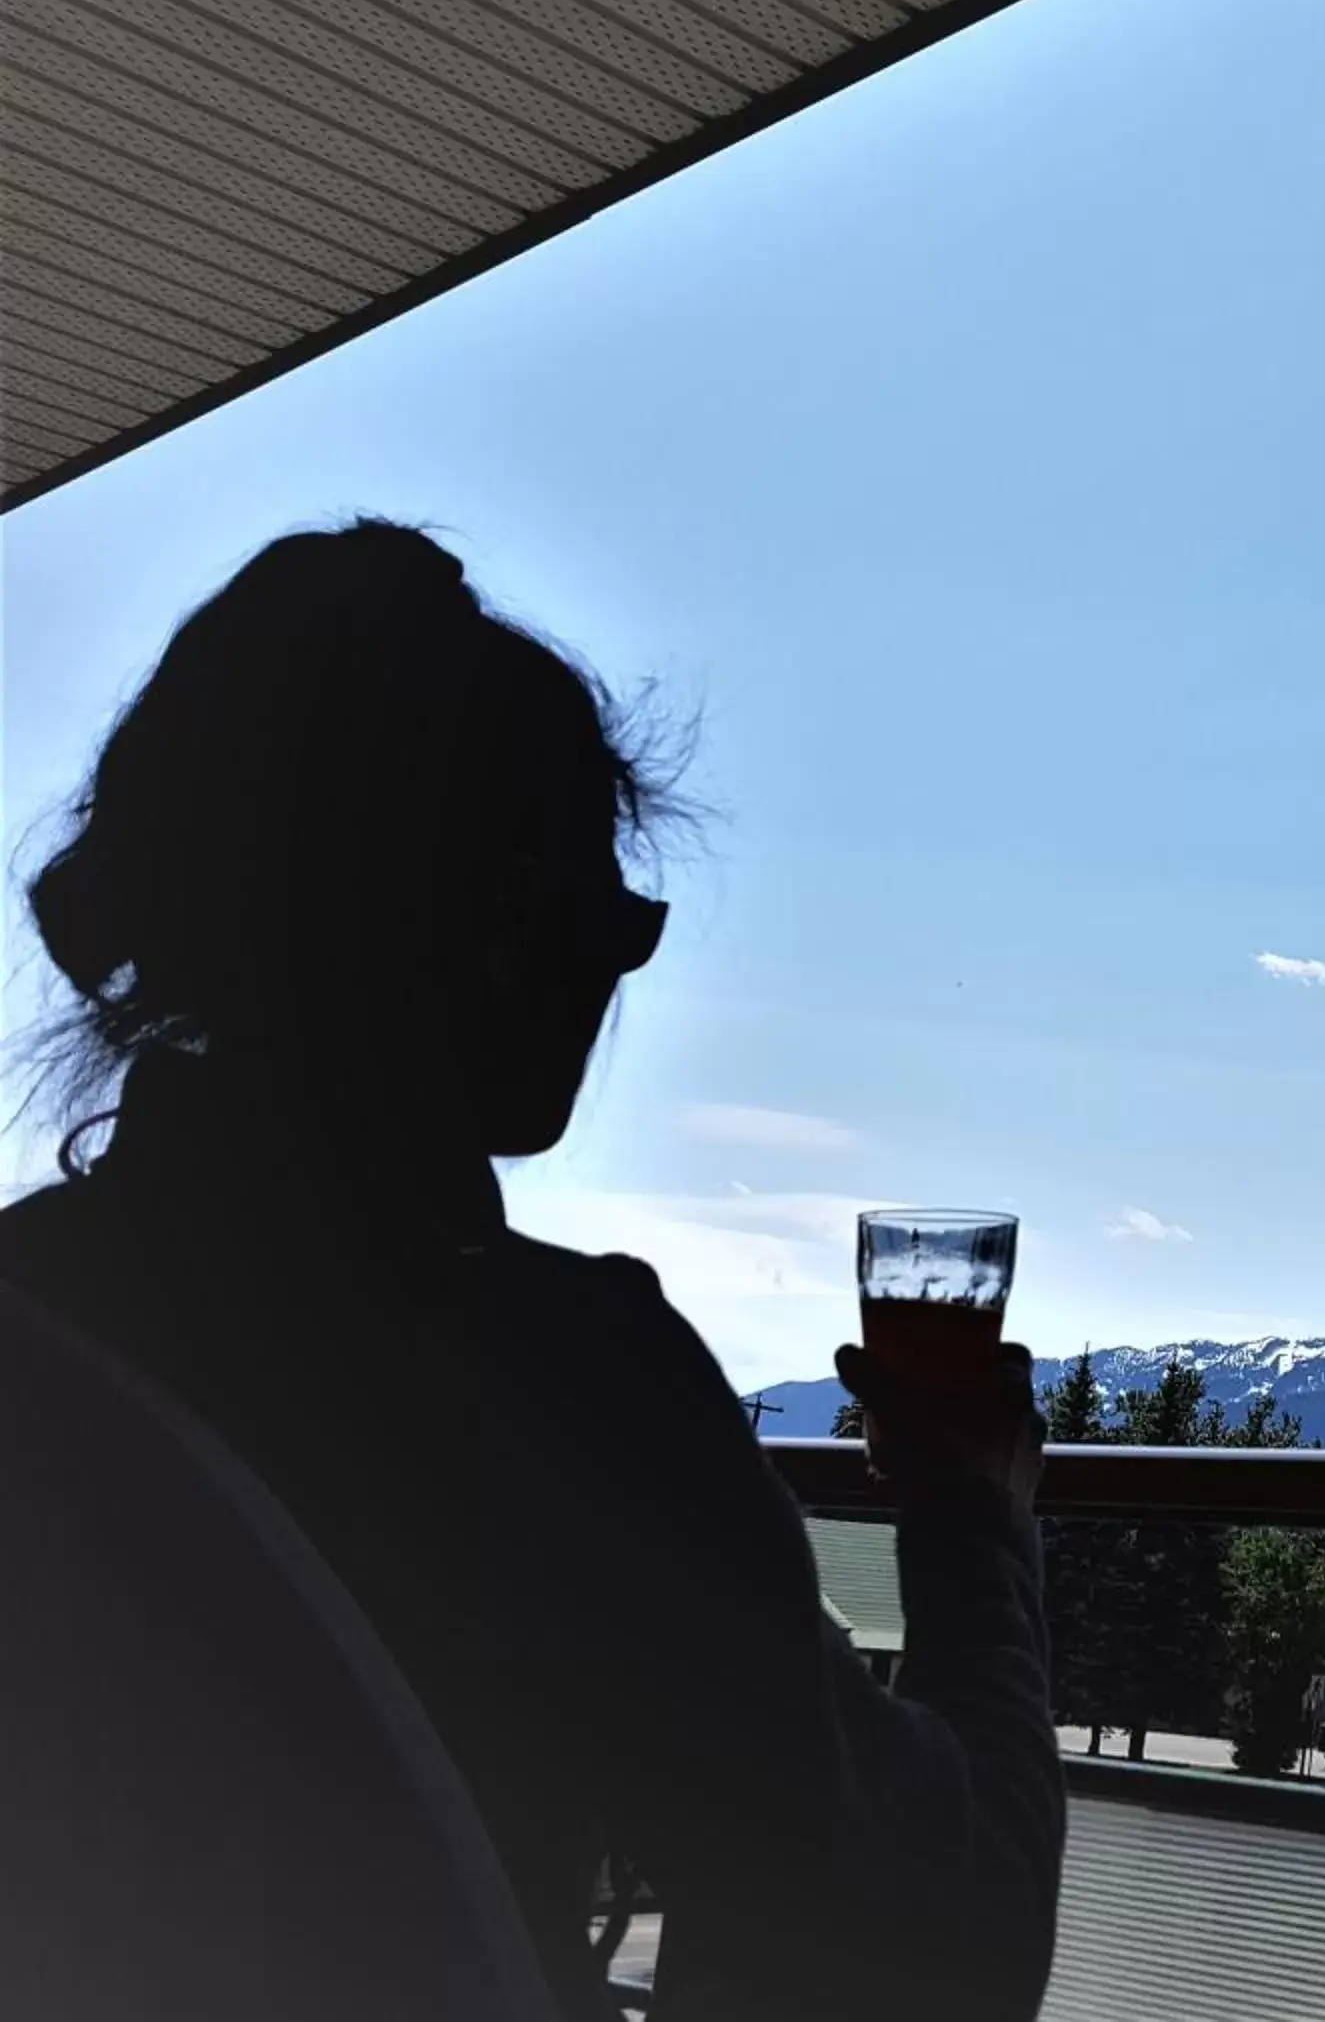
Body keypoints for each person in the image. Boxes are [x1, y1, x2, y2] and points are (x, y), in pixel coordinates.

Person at [0, 520, 1063, 2021]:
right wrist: (975, 1520)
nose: (617, 973)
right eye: (615, 920)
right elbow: (951, 1948)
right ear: (505, 926)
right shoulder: (563, 1386)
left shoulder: (43, 1317)